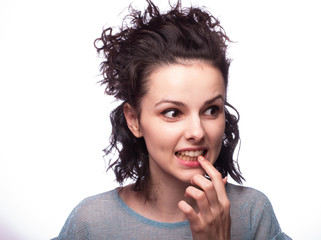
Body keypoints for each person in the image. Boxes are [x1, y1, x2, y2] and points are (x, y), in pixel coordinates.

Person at [57, 0, 291, 239]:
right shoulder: (92, 223)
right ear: (134, 120)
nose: (197, 132)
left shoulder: (253, 214)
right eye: (172, 113)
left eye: (211, 110)